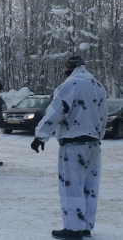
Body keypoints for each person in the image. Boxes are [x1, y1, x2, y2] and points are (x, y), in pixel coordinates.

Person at [31, 56, 107, 240]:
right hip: (94, 144)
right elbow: (103, 115)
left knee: (72, 186)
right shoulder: (98, 86)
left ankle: (73, 228)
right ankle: (86, 226)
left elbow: (56, 110)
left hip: (73, 144)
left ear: (68, 68)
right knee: (90, 187)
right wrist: (99, 135)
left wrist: (40, 135)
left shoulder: (70, 85)